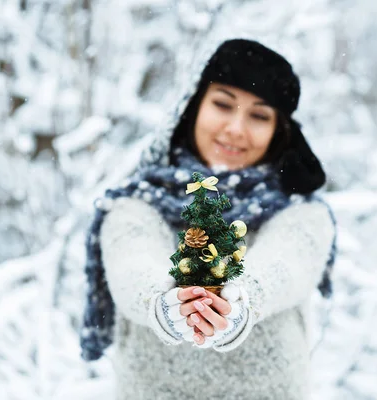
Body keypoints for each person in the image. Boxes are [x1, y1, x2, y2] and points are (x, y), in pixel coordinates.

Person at [80, 38, 337, 400]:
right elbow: (131, 264)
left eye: (259, 115)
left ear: (280, 131)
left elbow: (286, 263)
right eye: (222, 105)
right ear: (193, 107)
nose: (235, 128)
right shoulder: (137, 204)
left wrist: (241, 299)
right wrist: (165, 301)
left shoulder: (303, 214)